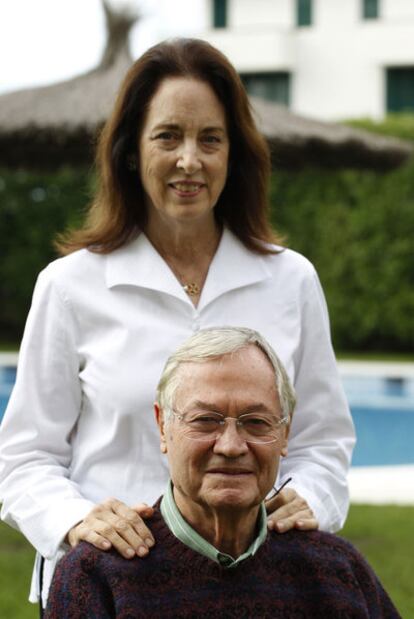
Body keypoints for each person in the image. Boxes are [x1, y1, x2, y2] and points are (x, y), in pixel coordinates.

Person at [0, 38, 355, 609]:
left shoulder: (291, 281)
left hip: (259, 588)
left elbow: (324, 440)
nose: (190, 160)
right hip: (109, 589)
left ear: (234, 154)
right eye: (168, 137)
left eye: (210, 139)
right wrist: (78, 519)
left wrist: (311, 496)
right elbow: (23, 459)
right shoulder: (69, 287)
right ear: (130, 152)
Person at [44, 327, 399, 619]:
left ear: (285, 434)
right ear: (162, 427)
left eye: (256, 422)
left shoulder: (337, 570)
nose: (230, 446)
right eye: (205, 420)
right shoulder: (96, 576)